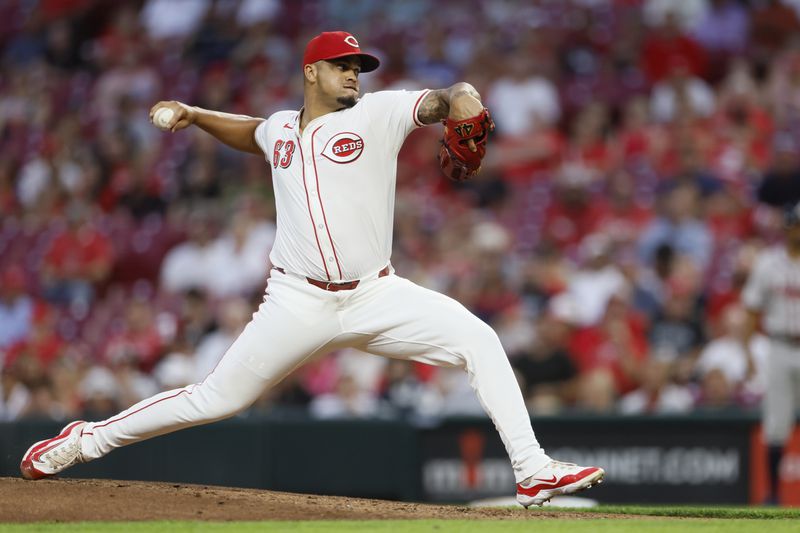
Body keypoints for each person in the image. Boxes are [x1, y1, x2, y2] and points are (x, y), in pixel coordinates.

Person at [19, 31, 603, 508]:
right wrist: (194, 114)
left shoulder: (379, 112)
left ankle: (532, 470)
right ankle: (85, 441)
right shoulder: (279, 128)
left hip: (376, 294)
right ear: (310, 73)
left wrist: (466, 98)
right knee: (215, 399)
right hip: (296, 301)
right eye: (340, 65)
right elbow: (250, 131)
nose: (353, 73)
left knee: (480, 338)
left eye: (358, 65)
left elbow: (445, 97)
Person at [741, 203, 800, 505]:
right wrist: (747, 351)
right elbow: (751, 308)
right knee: (776, 422)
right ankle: (773, 494)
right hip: (778, 344)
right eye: (795, 224)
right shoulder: (768, 262)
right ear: (787, 227)